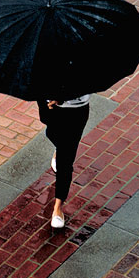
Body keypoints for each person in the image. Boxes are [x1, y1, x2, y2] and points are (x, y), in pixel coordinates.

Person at [37, 95, 90, 228]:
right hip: (48, 104)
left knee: (65, 161)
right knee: (51, 132)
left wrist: (62, 97)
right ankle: (60, 148)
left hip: (75, 109)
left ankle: (57, 208)